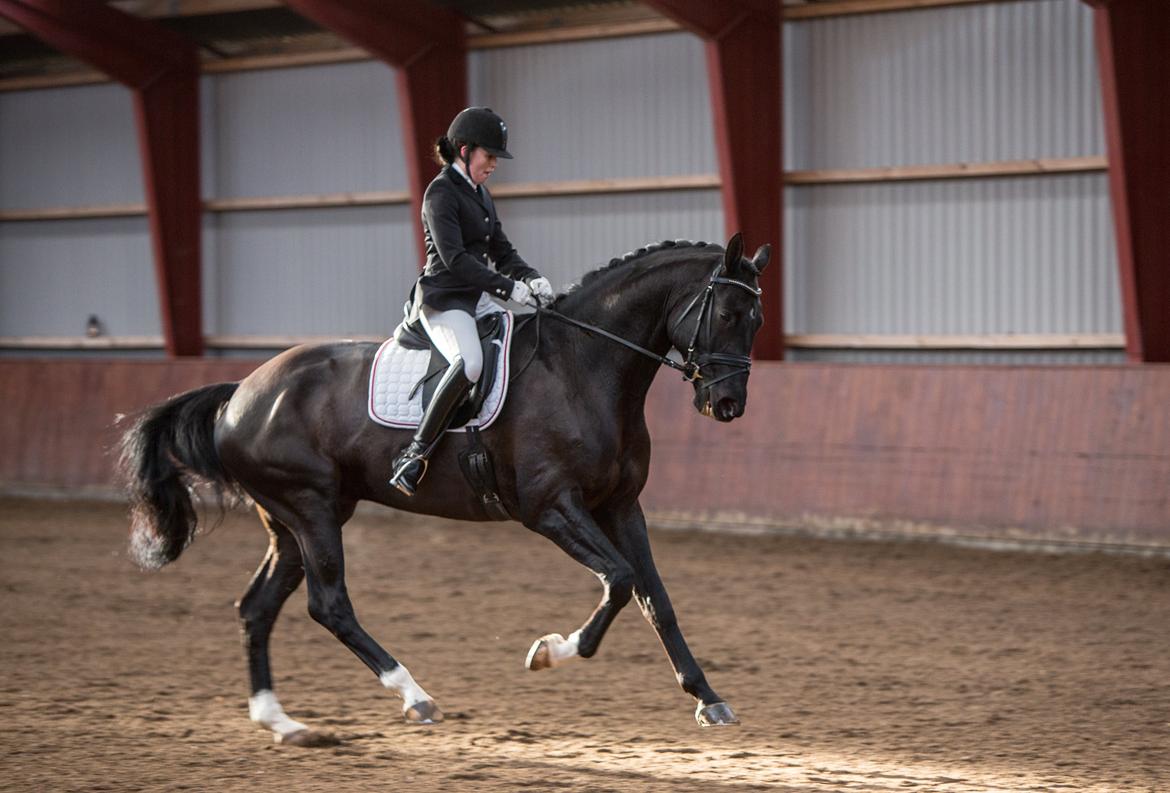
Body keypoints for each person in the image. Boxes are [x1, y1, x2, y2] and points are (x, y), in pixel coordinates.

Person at [389, 107, 555, 497]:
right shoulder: (440, 193)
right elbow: (455, 261)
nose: (495, 164)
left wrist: (531, 277)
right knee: (472, 364)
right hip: (444, 301)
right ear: (464, 151)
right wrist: (508, 290)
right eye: (490, 156)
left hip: (476, 297)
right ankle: (414, 455)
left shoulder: (480, 193)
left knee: (521, 344)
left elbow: (501, 249)